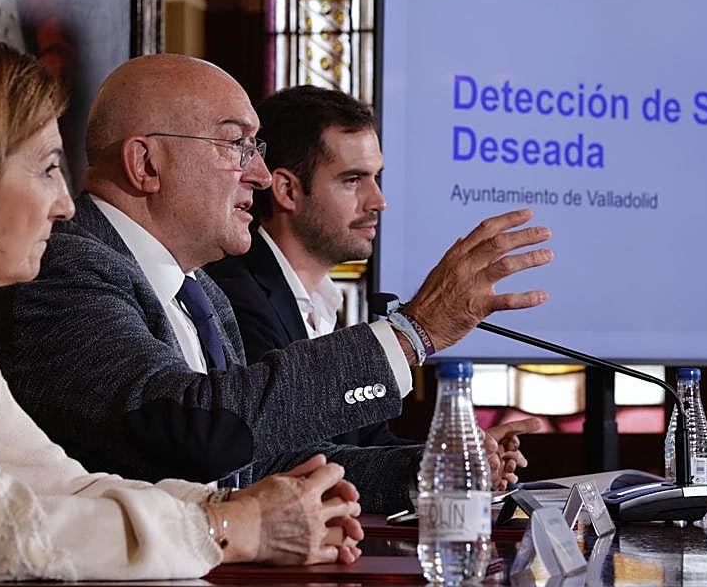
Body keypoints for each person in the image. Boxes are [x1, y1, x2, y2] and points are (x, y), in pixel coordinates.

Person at [0, 34, 361, 584]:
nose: (65, 204)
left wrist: (237, 506)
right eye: (47, 168)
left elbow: (62, 485)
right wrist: (227, 529)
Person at [0, 54, 553, 514]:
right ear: (146, 164)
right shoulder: (62, 270)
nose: (257, 173)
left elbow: (258, 464)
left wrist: (429, 470)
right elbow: (196, 432)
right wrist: (414, 332)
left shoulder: (201, 292)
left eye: (256, 149)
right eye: (237, 145)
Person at [206, 85, 540, 469]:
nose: (378, 200)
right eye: (353, 180)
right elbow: (282, 459)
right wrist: (417, 330)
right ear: (287, 190)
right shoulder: (233, 297)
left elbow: (369, 444)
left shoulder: (323, 301)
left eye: (376, 177)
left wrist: (456, 459)